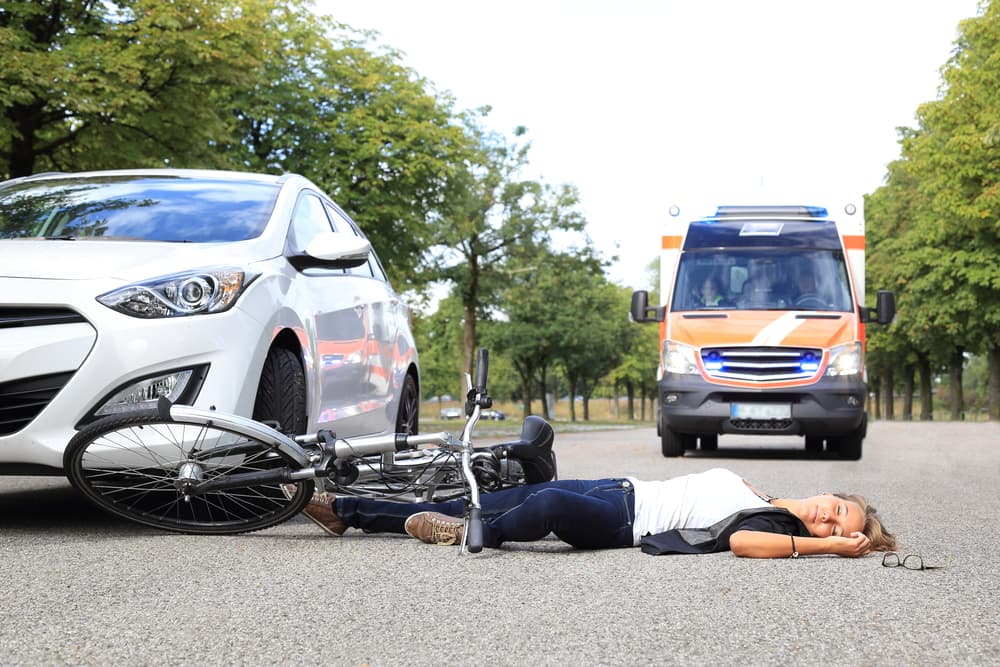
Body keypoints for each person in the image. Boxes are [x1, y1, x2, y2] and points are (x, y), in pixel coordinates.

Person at [297, 468, 896, 558]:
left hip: (624, 524)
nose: (825, 516)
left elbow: (743, 548)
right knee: (474, 494)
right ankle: (347, 510)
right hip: (620, 487)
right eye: (836, 509)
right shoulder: (757, 494)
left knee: (549, 505)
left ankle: (472, 536)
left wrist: (831, 548)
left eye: (833, 525)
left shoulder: (777, 527)